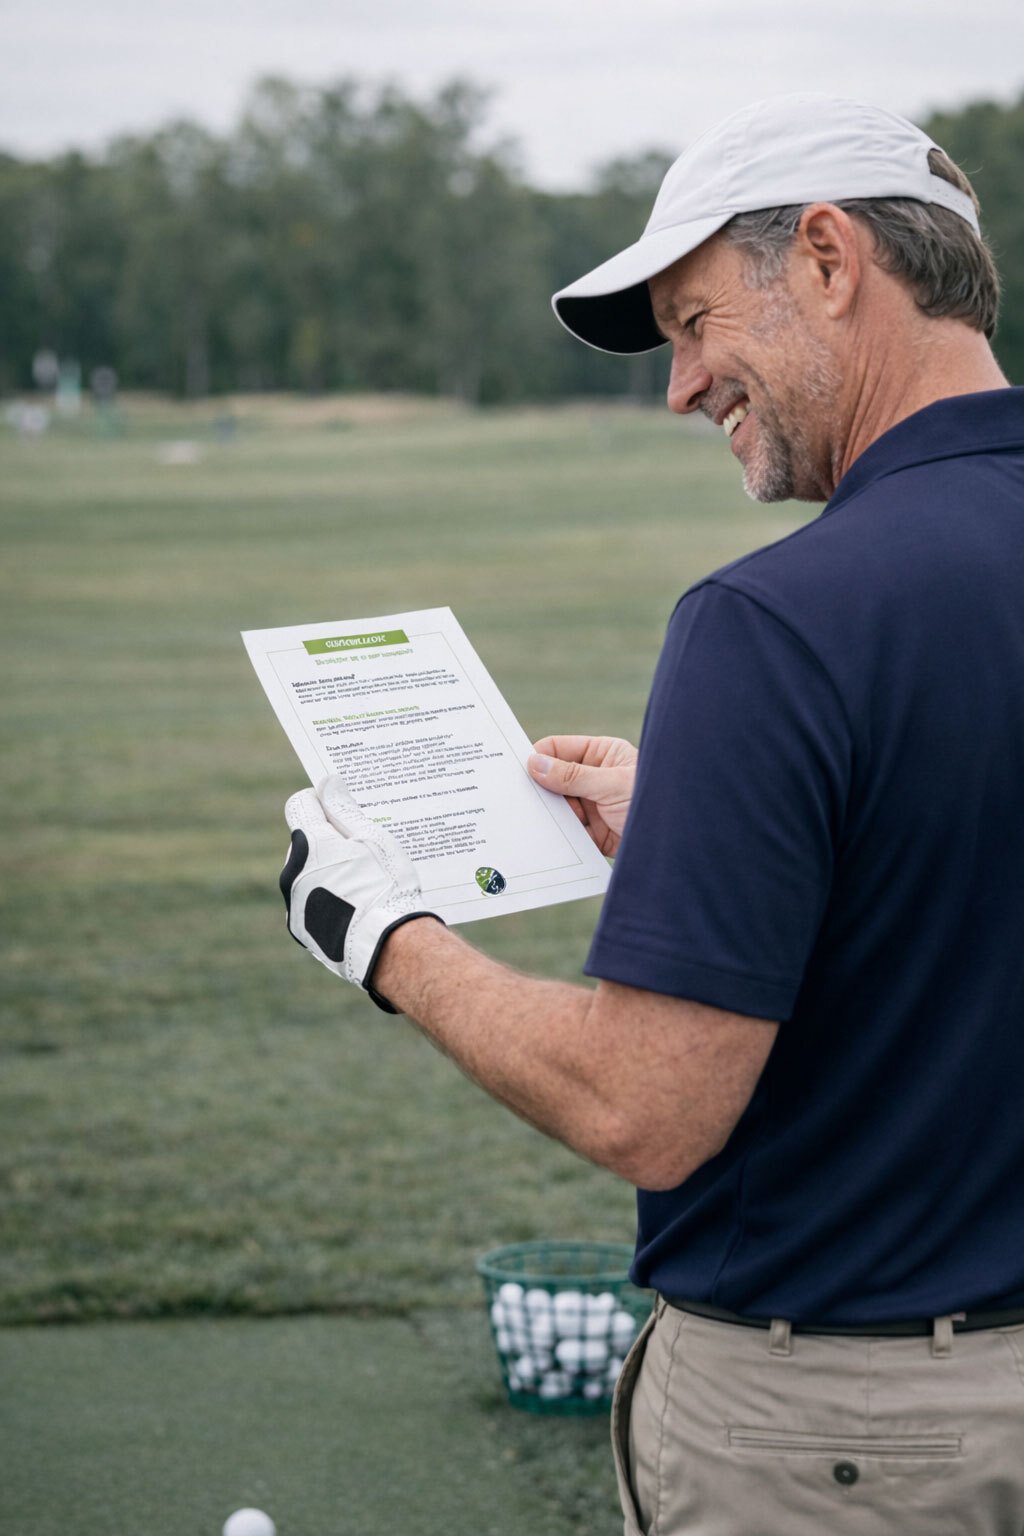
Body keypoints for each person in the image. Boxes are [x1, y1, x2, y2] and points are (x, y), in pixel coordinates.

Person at [278, 95, 1024, 1532]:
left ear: (827, 257)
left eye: (694, 324)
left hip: (846, 1441)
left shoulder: (774, 622)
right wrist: (720, 820)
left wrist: (383, 935)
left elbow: (648, 1108)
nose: (681, 387)